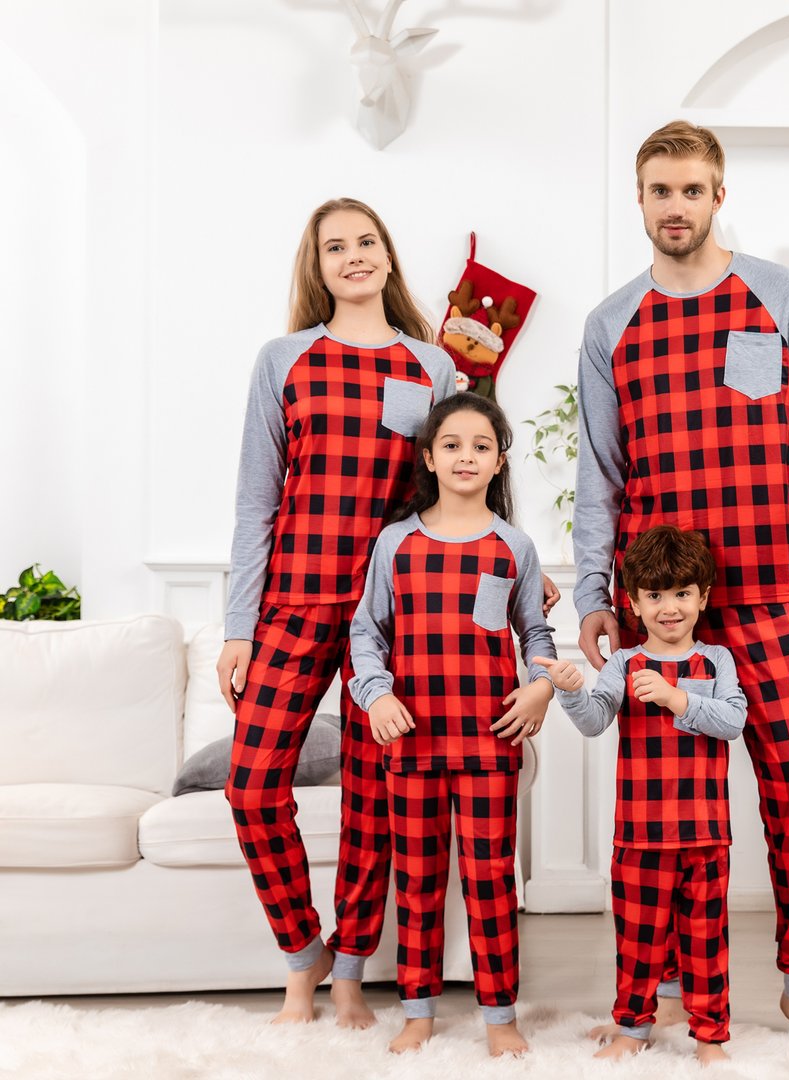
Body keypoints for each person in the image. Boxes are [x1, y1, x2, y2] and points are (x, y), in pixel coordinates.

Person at [573, 120, 789, 1057]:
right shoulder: (609, 324)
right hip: (656, 603)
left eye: (692, 190)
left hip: (770, 590)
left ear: (719, 194)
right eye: (660, 191)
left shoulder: (779, 295)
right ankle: (659, 984)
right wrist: (592, 594)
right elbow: (598, 477)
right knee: (664, 804)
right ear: (640, 199)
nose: (676, 206)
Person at [216, 197, 458, 1026]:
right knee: (251, 788)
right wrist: (238, 627)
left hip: (391, 617)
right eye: (335, 247)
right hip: (292, 604)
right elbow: (256, 501)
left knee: (374, 799)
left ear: (388, 256)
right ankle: (303, 952)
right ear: (316, 268)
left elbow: (456, 482)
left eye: (366, 242)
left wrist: (512, 565)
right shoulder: (283, 359)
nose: (353, 256)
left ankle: (347, 974)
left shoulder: (433, 366)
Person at [349, 393, 556, 1057]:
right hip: (411, 748)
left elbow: (536, 633)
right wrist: (376, 695)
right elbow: (365, 633)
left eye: (481, 446)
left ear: (500, 462)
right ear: (430, 458)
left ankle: (501, 1016)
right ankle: (418, 1011)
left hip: (491, 744)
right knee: (417, 878)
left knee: (492, 879)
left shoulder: (513, 546)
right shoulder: (396, 544)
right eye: (452, 445)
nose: (466, 456)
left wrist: (541, 687)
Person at [537, 525, 746, 1065]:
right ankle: (632, 1028)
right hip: (639, 838)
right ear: (632, 602)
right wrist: (570, 687)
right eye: (654, 595)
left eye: (681, 594)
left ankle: (710, 1037)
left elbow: (733, 721)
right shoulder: (626, 664)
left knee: (706, 944)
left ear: (703, 598)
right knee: (637, 941)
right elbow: (593, 722)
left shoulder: (717, 660)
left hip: (705, 836)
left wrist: (677, 698)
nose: (668, 608)